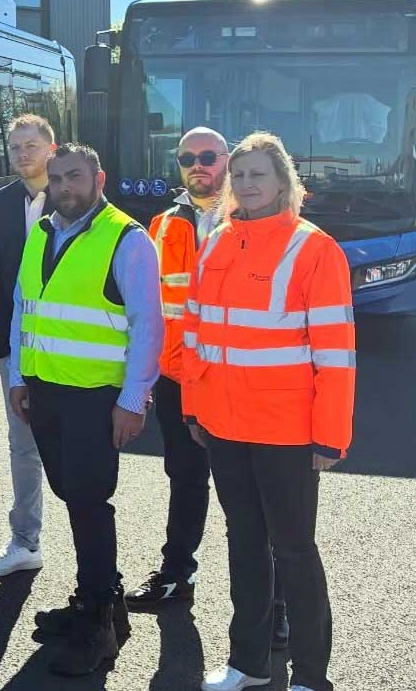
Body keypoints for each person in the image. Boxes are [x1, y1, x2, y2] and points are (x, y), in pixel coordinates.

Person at [184, 131, 355, 691]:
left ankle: (310, 676)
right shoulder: (216, 241)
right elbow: (195, 334)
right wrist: (194, 409)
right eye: (239, 174)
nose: (247, 183)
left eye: (258, 173)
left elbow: (336, 353)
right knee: (244, 546)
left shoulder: (314, 249)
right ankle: (248, 664)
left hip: (287, 431)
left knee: (295, 552)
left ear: (284, 181)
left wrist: (330, 436)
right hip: (224, 427)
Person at [127, 127, 290, 651]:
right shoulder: (161, 225)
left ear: (227, 162)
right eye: (186, 158)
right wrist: (147, 376)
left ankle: (278, 604)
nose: (197, 165)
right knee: (186, 479)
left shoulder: (257, 220)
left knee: (259, 497)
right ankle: (177, 574)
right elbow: (152, 309)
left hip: (242, 379)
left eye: (208, 156)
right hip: (181, 378)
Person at [8, 143, 163, 677]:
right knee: (72, 495)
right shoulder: (42, 231)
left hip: (96, 397)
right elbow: (23, 307)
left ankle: (98, 624)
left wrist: (133, 400)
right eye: (56, 178)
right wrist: (18, 377)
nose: (64, 187)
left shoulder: (127, 238)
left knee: (90, 502)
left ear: (99, 178)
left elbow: (148, 326)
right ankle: (103, 603)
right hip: (45, 390)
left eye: (74, 176)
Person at [0, 113, 56, 578]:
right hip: (16, 347)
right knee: (22, 446)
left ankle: (95, 562)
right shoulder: (1, 201)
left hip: (70, 349)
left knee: (74, 450)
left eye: (32, 146)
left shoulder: (73, 195)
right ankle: (26, 542)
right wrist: (7, 334)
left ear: (51, 148)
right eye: (16, 147)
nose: (23, 154)